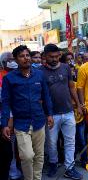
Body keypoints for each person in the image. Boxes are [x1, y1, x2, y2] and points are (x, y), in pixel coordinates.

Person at [1, 45, 53, 180]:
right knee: (27, 156)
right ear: (16, 60)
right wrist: (4, 124)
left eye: (27, 55)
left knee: (39, 155)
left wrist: (50, 114)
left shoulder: (39, 75)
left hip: (39, 120)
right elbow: (5, 102)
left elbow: (46, 96)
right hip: (21, 123)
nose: (26, 58)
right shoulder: (9, 78)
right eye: (22, 56)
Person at [40, 44, 83, 179]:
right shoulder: (39, 72)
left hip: (68, 111)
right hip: (51, 115)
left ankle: (69, 168)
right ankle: (53, 163)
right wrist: (47, 114)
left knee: (70, 141)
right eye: (51, 57)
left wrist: (78, 105)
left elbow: (72, 87)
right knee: (51, 142)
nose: (54, 59)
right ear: (45, 56)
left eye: (56, 56)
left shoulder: (65, 68)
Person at [0, 52, 19, 180]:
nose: (12, 62)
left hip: (19, 116)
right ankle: (12, 172)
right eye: (9, 60)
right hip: (7, 118)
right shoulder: (2, 77)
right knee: (8, 148)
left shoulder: (20, 74)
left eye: (13, 59)